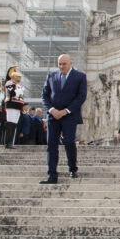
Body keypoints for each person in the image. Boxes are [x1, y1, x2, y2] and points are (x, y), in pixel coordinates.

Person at [40, 54, 88, 184]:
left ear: (70, 63)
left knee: (68, 141)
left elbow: (81, 96)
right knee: (51, 145)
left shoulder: (80, 76)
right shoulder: (51, 76)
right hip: (53, 115)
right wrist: (52, 110)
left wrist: (65, 111)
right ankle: (52, 175)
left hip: (69, 115)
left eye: (64, 64)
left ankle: (73, 168)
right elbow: (45, 95)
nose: (61, 66)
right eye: (59, 64)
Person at [4, 70, 26, 149]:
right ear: (13, 77)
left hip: (17, 106)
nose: (19, 78)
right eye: (18, 76)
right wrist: (20, 90)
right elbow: (12, 93)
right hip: (11, 105)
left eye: (20, 77)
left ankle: (11, 142)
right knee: (10, 124)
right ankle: (7, 142)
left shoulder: (19, 85)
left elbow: (21, 97)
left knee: (14, 125)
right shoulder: (9, 83)